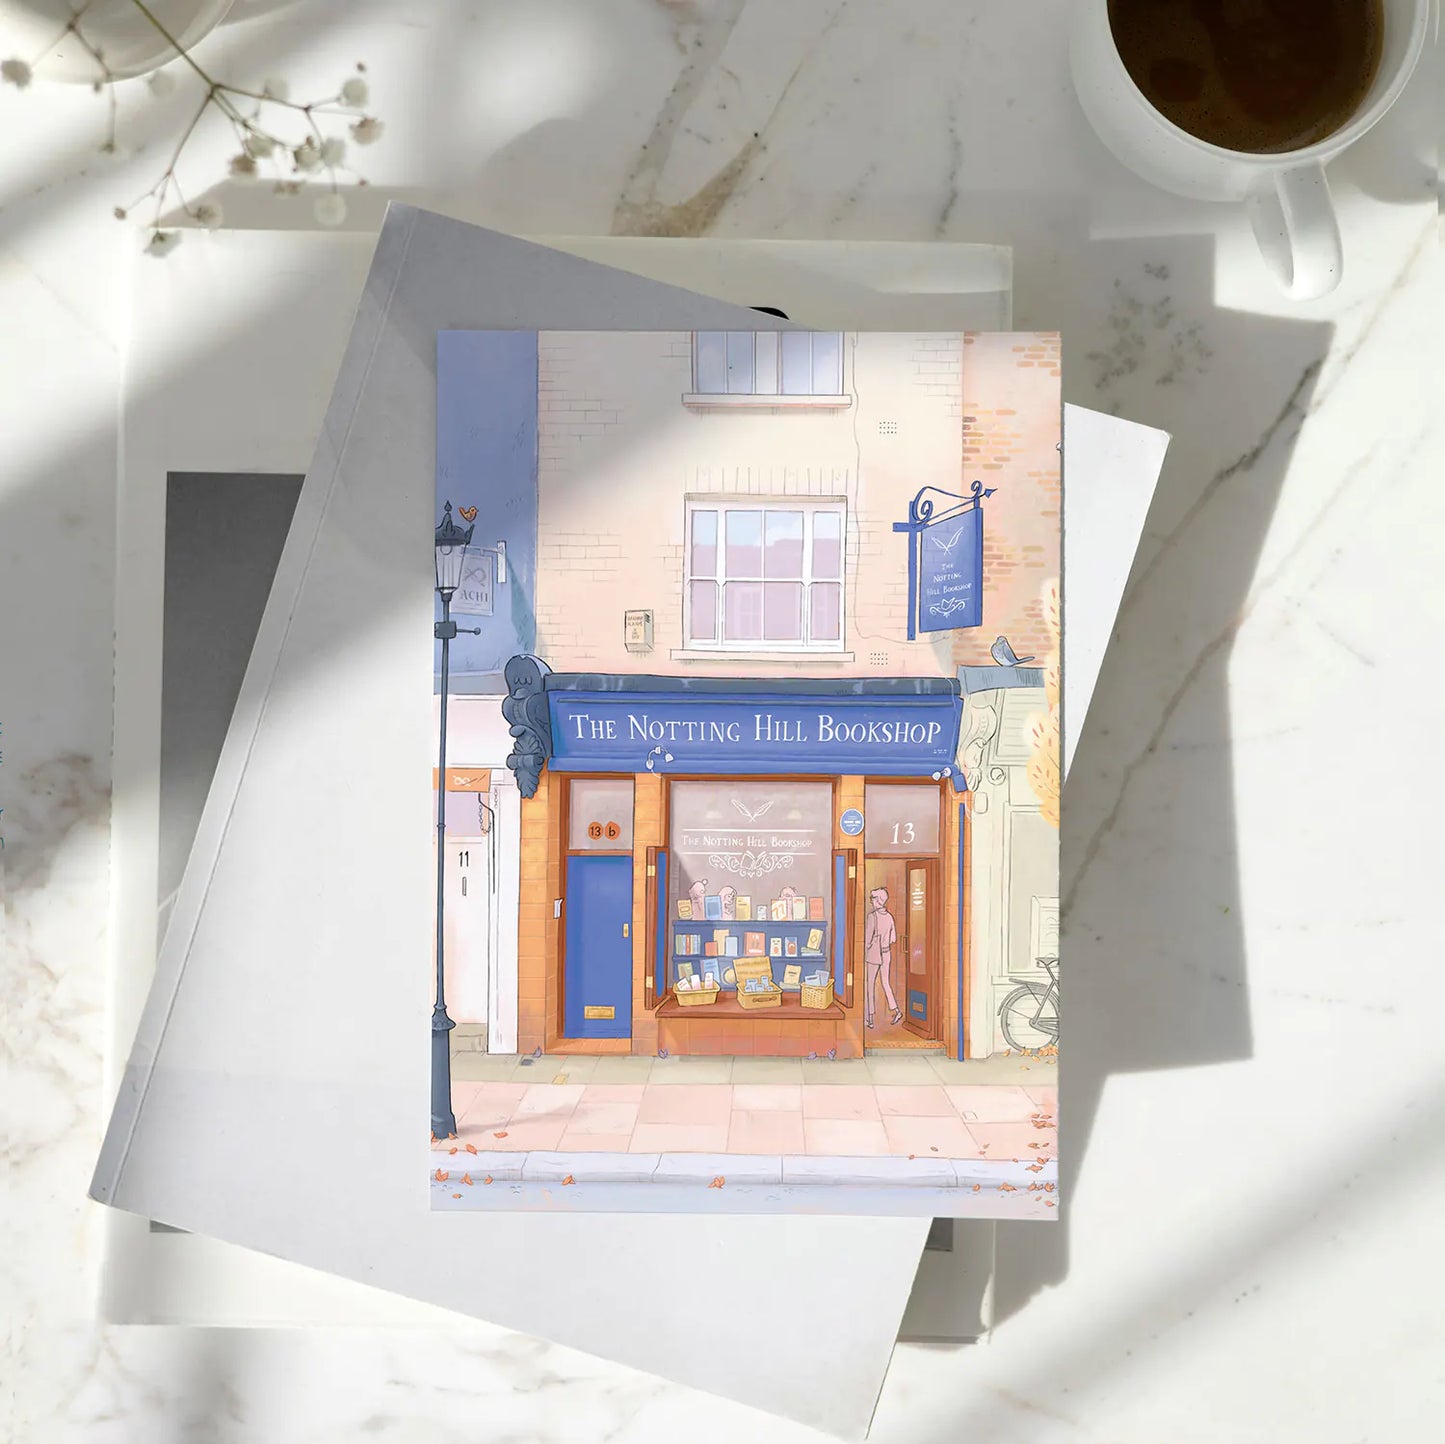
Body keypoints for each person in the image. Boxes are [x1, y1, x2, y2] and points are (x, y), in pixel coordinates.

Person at [863, 887, 903, 1028]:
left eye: (873, 898)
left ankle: (870, 1018)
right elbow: (893, 938)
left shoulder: (872, 917)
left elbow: (867, 940)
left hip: (874, 954)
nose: (871, 900)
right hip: (886, 953)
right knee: (885, 983)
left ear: (878, 900)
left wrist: (869, 945)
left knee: (870, 985)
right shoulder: (889, 917)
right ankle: (896, 1010)